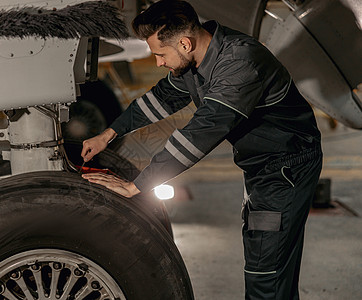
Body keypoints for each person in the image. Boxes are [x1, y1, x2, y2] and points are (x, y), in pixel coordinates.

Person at [81, 0, 322, 299]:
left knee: (265, 274)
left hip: (285, 170)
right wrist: (107, 134)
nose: (157, 63)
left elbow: (199, 135)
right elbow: (161, 99)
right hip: (262, 166)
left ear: (184, 43)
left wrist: (137, 185)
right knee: (272, 267)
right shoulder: (198, 58)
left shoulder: (239, 63)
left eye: (160, 54)